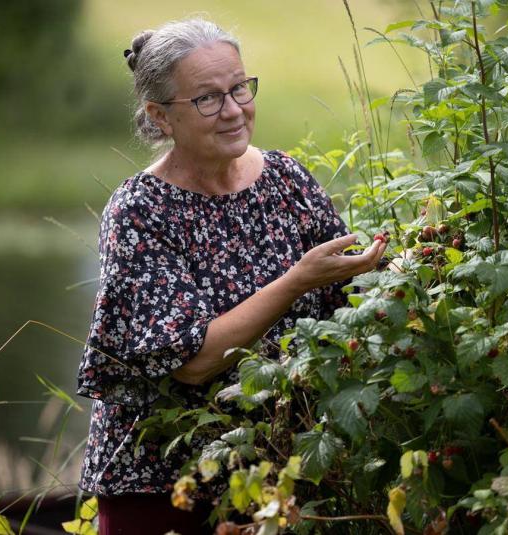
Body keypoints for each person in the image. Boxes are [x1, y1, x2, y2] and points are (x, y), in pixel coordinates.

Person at [75, 18, 387, 535]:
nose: (235, 109)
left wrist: (391, 267)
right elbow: (192, 363)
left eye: (239, 87)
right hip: (162, 485)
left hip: (280, 468)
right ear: (160, 116)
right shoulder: (140, 210)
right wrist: (295, 282)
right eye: (208, 99)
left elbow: (346, 301)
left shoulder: (285, 179)